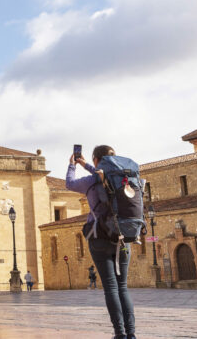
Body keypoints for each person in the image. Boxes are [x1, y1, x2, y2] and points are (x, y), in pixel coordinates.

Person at [67, 145, 136, 339]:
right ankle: (131, 333)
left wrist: (73, 165)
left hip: (100, 237)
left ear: (96, 160)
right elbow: (104, 175)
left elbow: (70, 184)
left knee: (111, 287)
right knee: (122, 286)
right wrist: (87, 165)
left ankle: (120, 333)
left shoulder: (91, 181)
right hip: (124, 236)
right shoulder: (126, 177)